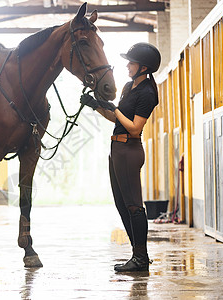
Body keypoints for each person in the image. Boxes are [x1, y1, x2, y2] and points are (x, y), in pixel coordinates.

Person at [80, 42, 161, 272]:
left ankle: (141, 257)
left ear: (143, 67)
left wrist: (114, 109)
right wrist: (96, 106)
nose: (127, 65)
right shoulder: (128, 88)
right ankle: (137, 254)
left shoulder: (147, 93)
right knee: (121, 203)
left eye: (131, 62)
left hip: (129, 150)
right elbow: (116, 119)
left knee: (134, 205)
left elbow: (134, 128)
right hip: (117, 149)